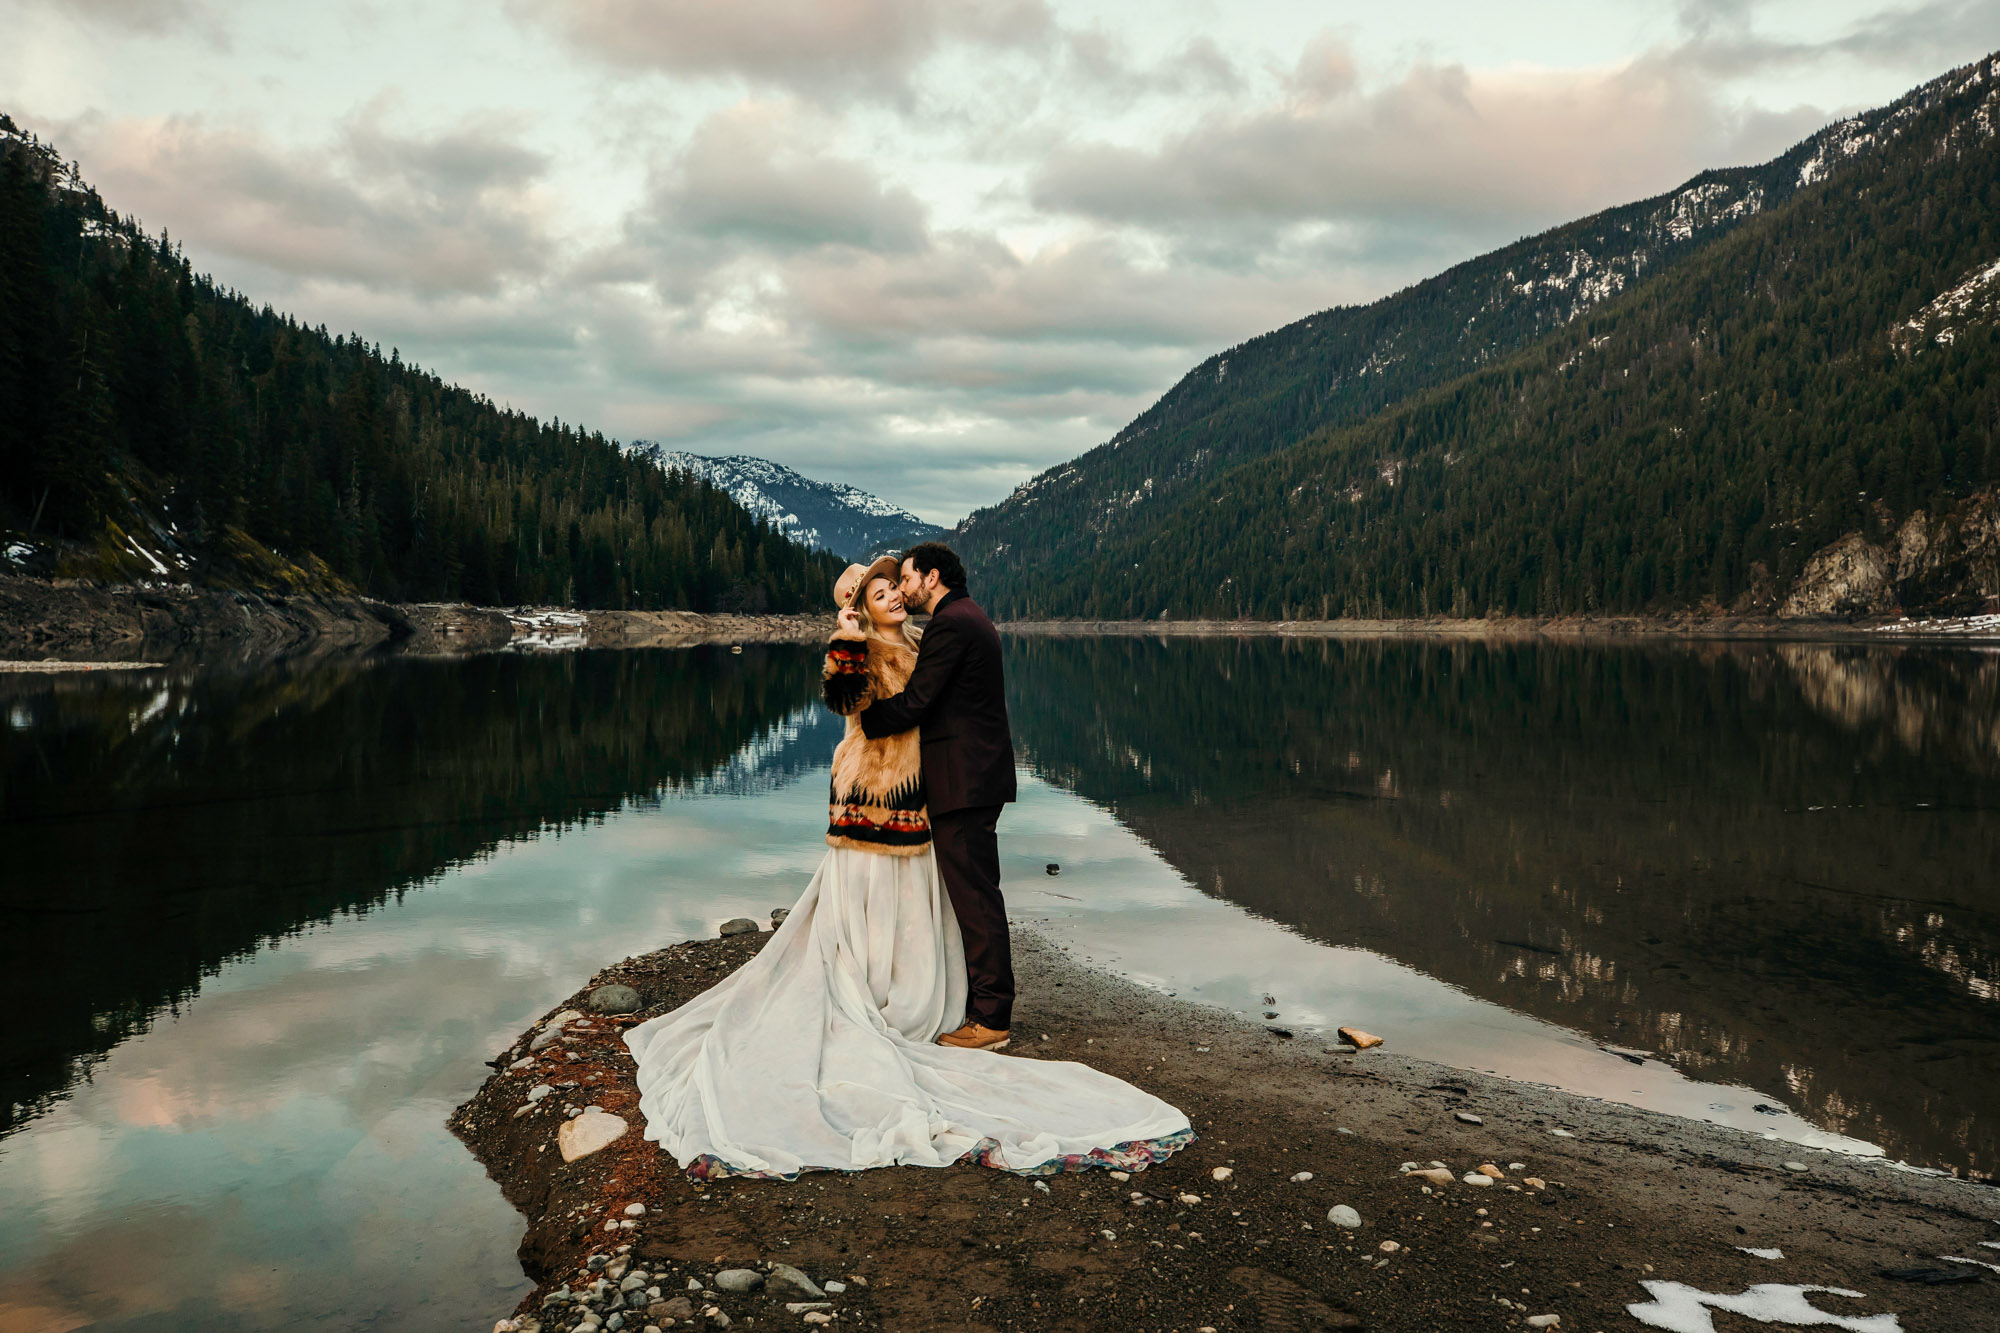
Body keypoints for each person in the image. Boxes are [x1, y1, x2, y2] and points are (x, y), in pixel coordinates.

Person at [621, 556, 1191, 1182]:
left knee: (933, 898)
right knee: (877, 897)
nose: (895, 594)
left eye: (897, 584)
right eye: (881, 591)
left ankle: (956, 1004)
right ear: (860, 605)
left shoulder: (929, 635)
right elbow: (844, 698)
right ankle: (892, 996)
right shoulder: (860, 643)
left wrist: (885, 713)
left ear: (921, 583)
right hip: (874, 792)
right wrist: (846, 642)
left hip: (925, 791)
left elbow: (923, 701)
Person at [840, 542, 1017, 1052]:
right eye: (891, 588)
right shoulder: (966, 617)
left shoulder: (951, 623)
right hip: (973, 777)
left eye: (907, 580)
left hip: (964, 781)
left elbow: (918, 702)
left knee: (977, 898)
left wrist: (866, 721)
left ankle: (991, 1018)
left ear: (931, 577)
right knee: (977, 892)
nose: (903, 590)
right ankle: (981, 1005)